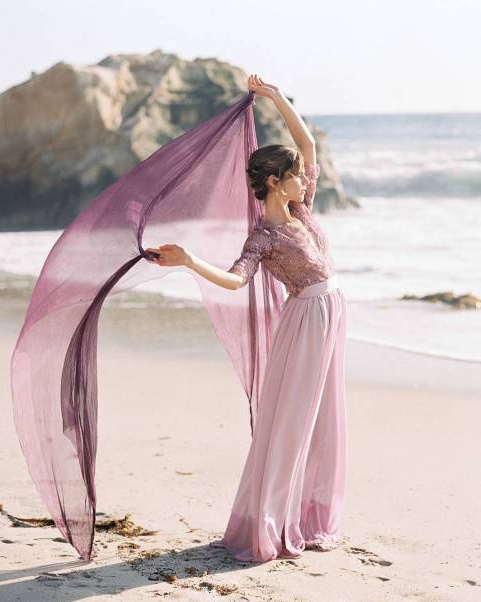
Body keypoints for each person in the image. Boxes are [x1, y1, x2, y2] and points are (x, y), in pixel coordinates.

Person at [145, 74, 348, 562]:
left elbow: (306, 143)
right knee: (293, 422)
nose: (305, 177)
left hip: (331, 316)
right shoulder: (264, 237)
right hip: (304, 326)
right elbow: (237, 282)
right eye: (295, 174)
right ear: (274, 183)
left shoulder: (301, 208)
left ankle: (308, 513)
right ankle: (271, 522)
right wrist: (191, 261)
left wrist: (276, 98)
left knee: (324, 421)